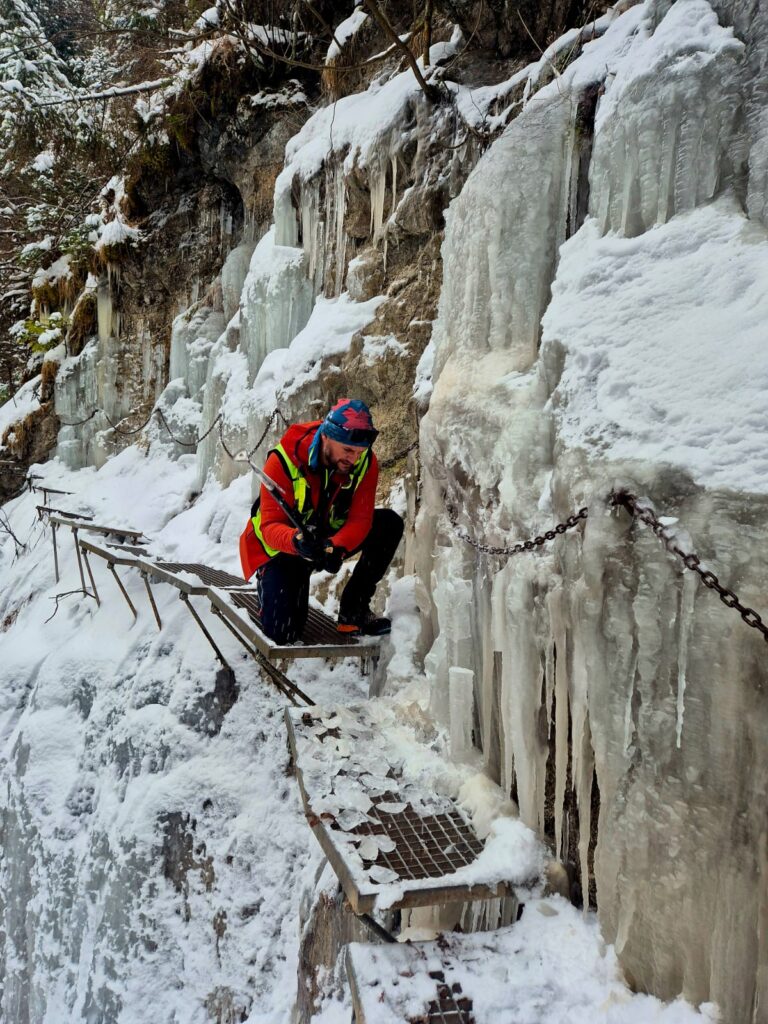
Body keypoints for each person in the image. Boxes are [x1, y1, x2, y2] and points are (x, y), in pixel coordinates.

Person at [239, 399, 404, 644]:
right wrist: (296, 542)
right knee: (283, 634)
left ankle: (354, 611)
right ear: (326, 436)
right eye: (347, 450)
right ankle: (269, 586)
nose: (354, 459)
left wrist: (335, 547)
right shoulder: (284, 459)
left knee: (388, 523)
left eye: (359, 452)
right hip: (283, 549)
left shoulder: (365, 462)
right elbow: (269, 526)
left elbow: (361, 520)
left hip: (324, 539)